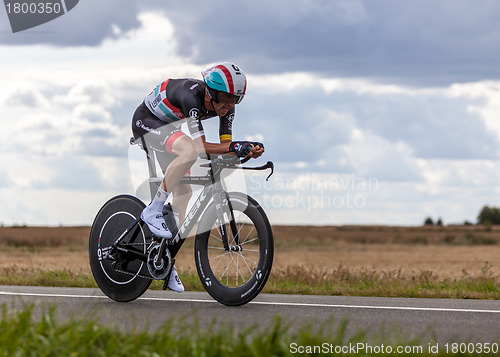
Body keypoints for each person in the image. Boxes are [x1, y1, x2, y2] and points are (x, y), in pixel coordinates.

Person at [131, 62, 264, 292]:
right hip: (146, 122)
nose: (230, 104)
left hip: (169, 128)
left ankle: (165, 255)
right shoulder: (191, 97)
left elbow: (224, 147)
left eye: (236, 99)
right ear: (211, 92)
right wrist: (234, 146)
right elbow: (200, 146)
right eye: (225, 97)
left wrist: (246, 150)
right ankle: (153, 208)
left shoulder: (227, 108)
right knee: (190, 151)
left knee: (184, 192)